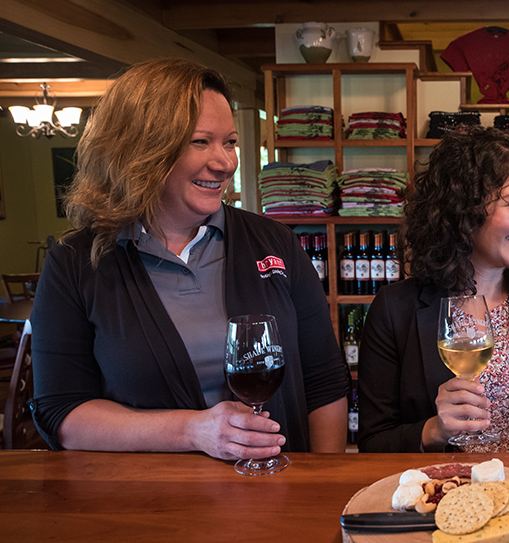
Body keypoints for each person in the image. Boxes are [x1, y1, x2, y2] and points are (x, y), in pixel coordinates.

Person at [31, 58, 349, 459]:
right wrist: (192, 431)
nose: (225, 162)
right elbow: (61, 411)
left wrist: (321, 486)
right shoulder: (75, 262)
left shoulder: (274, 241)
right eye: (201, 142)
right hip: (151, 505)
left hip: (275, 490)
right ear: (142, 149)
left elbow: (324, 381)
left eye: (230, 142)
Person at [357, 126, 509, 452]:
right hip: (441, 496)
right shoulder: (394, 309)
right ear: (463, 208)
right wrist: (433, 430)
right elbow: (373, 442)